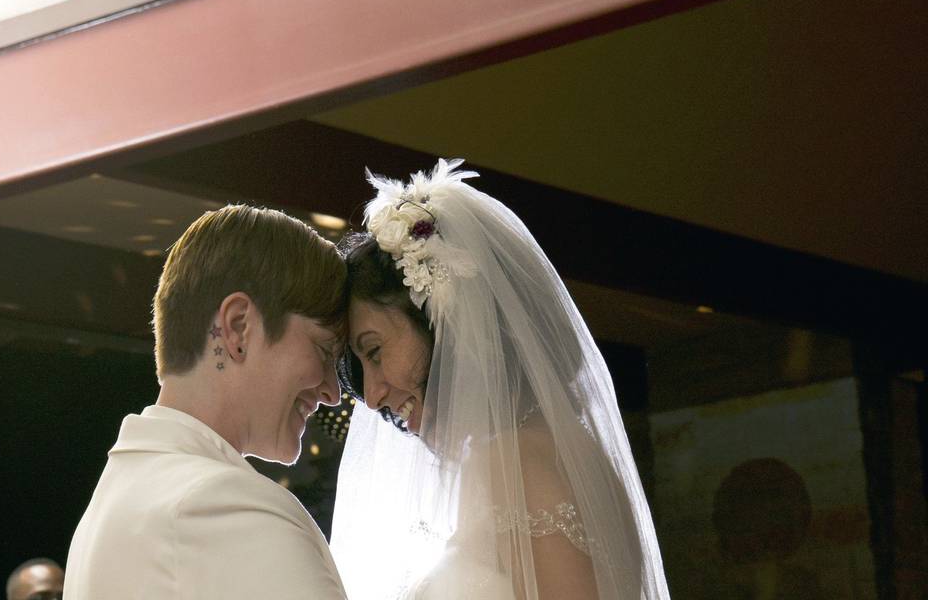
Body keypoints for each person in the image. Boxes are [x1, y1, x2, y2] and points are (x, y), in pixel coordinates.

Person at [330, 160, 670, 599]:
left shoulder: (513, 460)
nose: (372, 396)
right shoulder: (551, 448)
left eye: (374, 351)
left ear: (444, 324)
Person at [65, 205, 348, 599]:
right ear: (238, 327)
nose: (332, 392)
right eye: (324, 350)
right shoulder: (228, 507)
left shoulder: (115, 499)